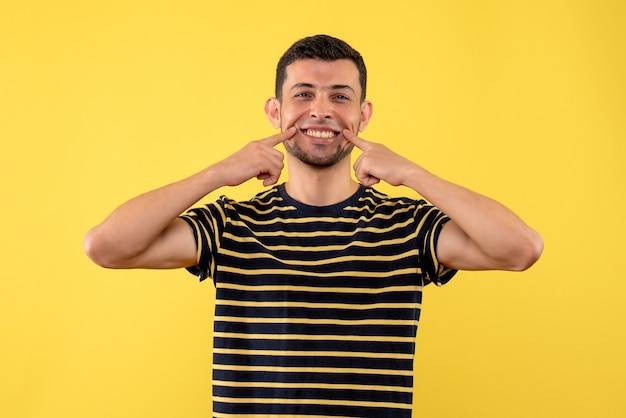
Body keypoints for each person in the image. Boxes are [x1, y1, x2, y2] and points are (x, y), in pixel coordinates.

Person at [84, 34, 543, 418]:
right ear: (275, 111)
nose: (320, 110)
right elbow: (106, 247)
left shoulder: (407, 226)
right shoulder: (232, 223)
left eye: (339, 96)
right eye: (303, 94)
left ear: (362, 115)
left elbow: (520, 249)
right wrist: (217, 173)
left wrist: (415, 175)